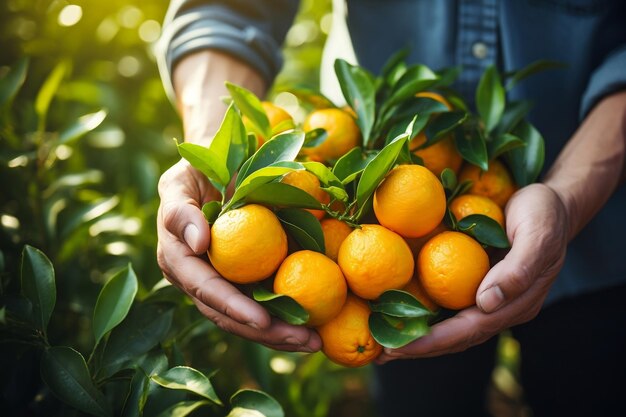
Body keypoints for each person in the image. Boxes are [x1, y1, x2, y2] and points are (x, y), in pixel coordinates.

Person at [155, 1, 626, 416]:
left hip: (605, 233)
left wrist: (569, 194)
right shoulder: (360, 245)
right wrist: (216, 155)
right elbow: (225, 7)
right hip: (392, 297)